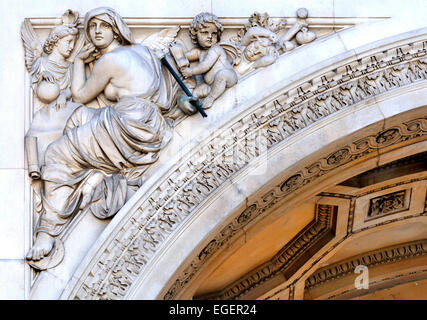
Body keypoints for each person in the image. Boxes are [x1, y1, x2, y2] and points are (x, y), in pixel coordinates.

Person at [25, 7, 179, 263]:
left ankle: (47, 231)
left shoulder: (109, 60)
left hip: (126, 124)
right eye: (92, 27)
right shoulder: (143, 51)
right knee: (78, 118)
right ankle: (93, 172)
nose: (96, 32)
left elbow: (81, 95)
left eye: (104, 26)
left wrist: (77, 62)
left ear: (116, 29)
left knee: (56, 154)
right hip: (147, 123)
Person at [180, 12, 238, 109]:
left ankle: (210, 98)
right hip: (212, 84)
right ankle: (192, 106)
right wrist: (174, 53)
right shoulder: (199, 52)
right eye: (205, 32)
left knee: (222, 75)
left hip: (228, 77)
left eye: (214, 33)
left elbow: (205, 66)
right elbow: (184, 56)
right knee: (196, 92)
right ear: (195, 34)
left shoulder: (216, 49)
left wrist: (190, 71)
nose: (210, 36)